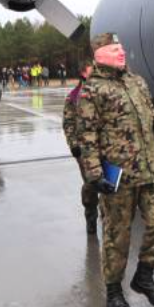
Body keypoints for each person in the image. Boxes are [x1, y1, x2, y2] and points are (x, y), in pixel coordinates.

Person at [76, 33, 154, 307]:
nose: (122, 52)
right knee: (117, 236)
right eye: (114, 48)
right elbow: (87, 136)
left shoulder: (136, 81)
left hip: (151, 169)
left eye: (122, 47)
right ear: (99, 55)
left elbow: (151, 115)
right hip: (118, 177)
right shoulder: (92, 90)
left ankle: (144, 276)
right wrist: (95, 175)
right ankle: (114, 292)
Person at [63, 61, 99, 235]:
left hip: (106, 146)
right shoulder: (74, 96)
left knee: (111, 185)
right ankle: (91, 216)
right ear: (84, 74)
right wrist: (73, 145)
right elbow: (68, 123)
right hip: (84, 149)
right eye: (93, 70)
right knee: (91, 184)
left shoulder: (103, 92)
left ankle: (109, 220)